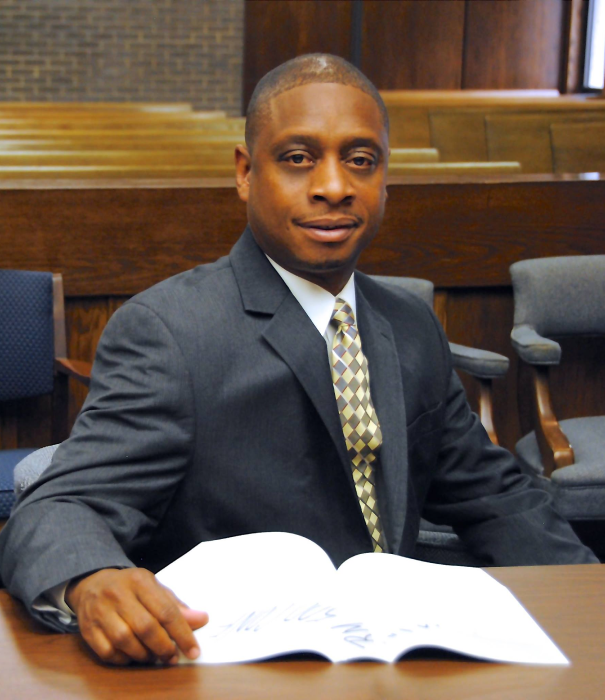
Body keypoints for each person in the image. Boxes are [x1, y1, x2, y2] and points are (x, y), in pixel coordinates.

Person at [0, 54, 597, 667]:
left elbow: (493, 495)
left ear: (385, 177)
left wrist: (591, 599)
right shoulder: (171, 332)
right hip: (238, 665)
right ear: (244, 171)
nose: (334, 186)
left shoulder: (409, 324)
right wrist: (91, 579)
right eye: (298, 158)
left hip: (391, 652)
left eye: (360, 160)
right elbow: (57, 506)